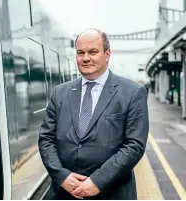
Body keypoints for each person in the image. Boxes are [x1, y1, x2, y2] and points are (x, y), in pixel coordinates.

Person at [38, 28, 149, 199]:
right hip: (65, 193)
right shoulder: (60, 93)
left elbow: (134, 146)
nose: (86, 58)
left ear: (107, 54)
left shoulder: (133, 93)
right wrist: (62, 176)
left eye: (93, 52)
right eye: (80, 53)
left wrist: (98, 181)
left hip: (113, 193)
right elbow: (46, 139)